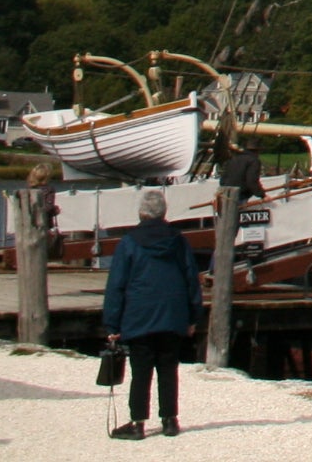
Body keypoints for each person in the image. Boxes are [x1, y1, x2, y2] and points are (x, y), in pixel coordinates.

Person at [100, 189, 200, 441]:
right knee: (168, 368)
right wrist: (193, 317)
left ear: (141, 213)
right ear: (164, 212)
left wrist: (112, 323)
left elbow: (117, 285)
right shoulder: (178, 240)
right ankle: (169, 420)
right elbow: (191, 280)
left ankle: (138, 422)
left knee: (141, 370)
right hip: (172, 313)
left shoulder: (129, 242)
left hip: (139, 313)